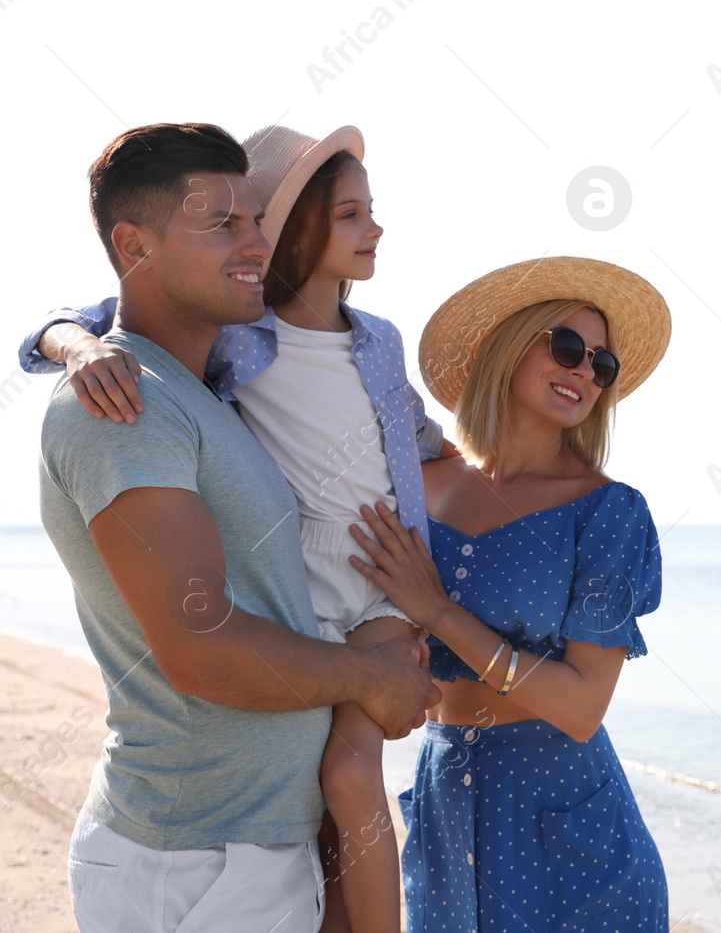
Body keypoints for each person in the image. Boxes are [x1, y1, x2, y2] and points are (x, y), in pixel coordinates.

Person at [24, 124, 450, 933]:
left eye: (257, 219)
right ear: (134, 245)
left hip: (250, 846)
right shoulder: (125, 403)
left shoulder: (215, 390)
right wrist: (370, 676)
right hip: (192, 859)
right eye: (222, 224)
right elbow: (201, 648)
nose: (257, 243)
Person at [346, 256, 673, 930]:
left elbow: (582, 706)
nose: (585, 370)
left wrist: (439, 610)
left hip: (571, 827)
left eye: (601, 365)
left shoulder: (609, 513)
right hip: (445, 800)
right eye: (567, 346)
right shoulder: (415, 483)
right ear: (506, 345)